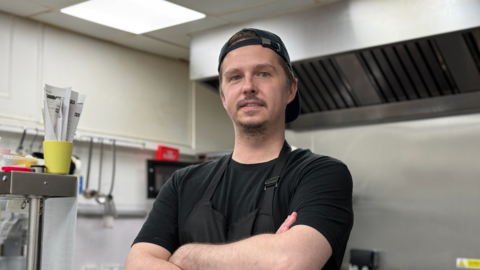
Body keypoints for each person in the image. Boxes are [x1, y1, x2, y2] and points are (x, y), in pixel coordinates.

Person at [125, 28, 353, 270]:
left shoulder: (321, 174)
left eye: (263, 73)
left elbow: (287, 261)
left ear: (290, 90)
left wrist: (184, 257)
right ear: (223, 97)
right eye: (235, 77)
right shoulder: (183, 183)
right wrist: (262, 255)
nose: (248, 87)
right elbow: (137, 264)